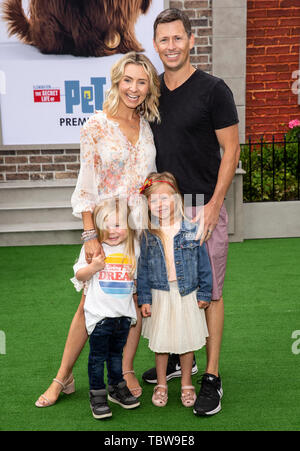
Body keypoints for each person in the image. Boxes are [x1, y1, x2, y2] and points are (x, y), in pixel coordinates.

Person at [35, 52, 160, 408]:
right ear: (117, 81)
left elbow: (148, 180)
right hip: (106, 231)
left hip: (138, 231)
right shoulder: (95, 125)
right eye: (128, 80)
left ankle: (125, 371)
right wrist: (91, 236)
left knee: (132, 301)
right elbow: (86, 185)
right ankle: (63, 377)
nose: (134, 88)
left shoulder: (148, 126)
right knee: (89, 304)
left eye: (142, 81)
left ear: (149, 86)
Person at [142, 8, 240, 417]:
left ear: (191, 40)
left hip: (201, 210)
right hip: (162, 214)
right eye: (163, 40)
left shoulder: (214, 90)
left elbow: (231, 150)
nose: (171, 46)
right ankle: (185, 354)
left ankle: (211, 376)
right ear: (156, 44)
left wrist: (215, 205)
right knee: (165, 288)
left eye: (177, 38)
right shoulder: (151, 92)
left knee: (208, 292)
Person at [137, 172, 212, 408]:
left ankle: (187, 383)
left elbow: (204, 263)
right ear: (148, 204)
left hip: (186, 293)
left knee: (186, 341)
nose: (160, 204)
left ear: (177, 199)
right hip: (161, 294)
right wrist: (145, 298)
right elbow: (144, 269)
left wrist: (204, 293)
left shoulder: (191, 229)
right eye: (154, 200)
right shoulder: (148, 234)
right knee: (162, 343)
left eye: (165, 198)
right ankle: (161, 383)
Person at [72, 198, 141, 419]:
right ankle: (97, 394)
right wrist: (94, 267)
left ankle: (116, 388)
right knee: (97, 357)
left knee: (115, 356)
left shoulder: (132, 248)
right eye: (107, 225)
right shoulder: (94, 249)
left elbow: (134, 282)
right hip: (100, 317)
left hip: (122, 317)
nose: (113, 231)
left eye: (118, 225)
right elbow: (79, 275)